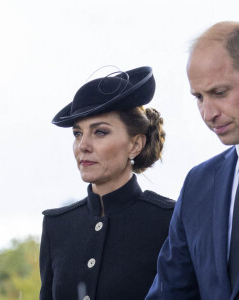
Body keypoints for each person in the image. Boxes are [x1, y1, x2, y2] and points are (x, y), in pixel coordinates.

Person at [39, 66, 175, 300]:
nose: (83, 145)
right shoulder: (56, 226)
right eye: (78, 133)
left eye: (100, 132)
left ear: (135, 145)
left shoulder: (170, 220)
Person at [146, 21, 239, 300]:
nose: (208, 113)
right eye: (199, 97)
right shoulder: (198, 185)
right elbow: (171, 291)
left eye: (219, 93)